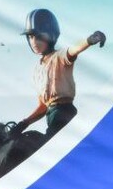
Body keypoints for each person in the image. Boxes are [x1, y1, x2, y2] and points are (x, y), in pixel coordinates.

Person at [13, 9, 105, 140]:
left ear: (51, 35)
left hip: (64, 113)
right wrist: (24, 123)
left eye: (38, 36)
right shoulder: (37, 70)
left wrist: (90, 40)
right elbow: (43, 105)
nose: (33, 41)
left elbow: (74, 50)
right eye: (30, 37)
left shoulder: (59, 57)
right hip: (51, 116)